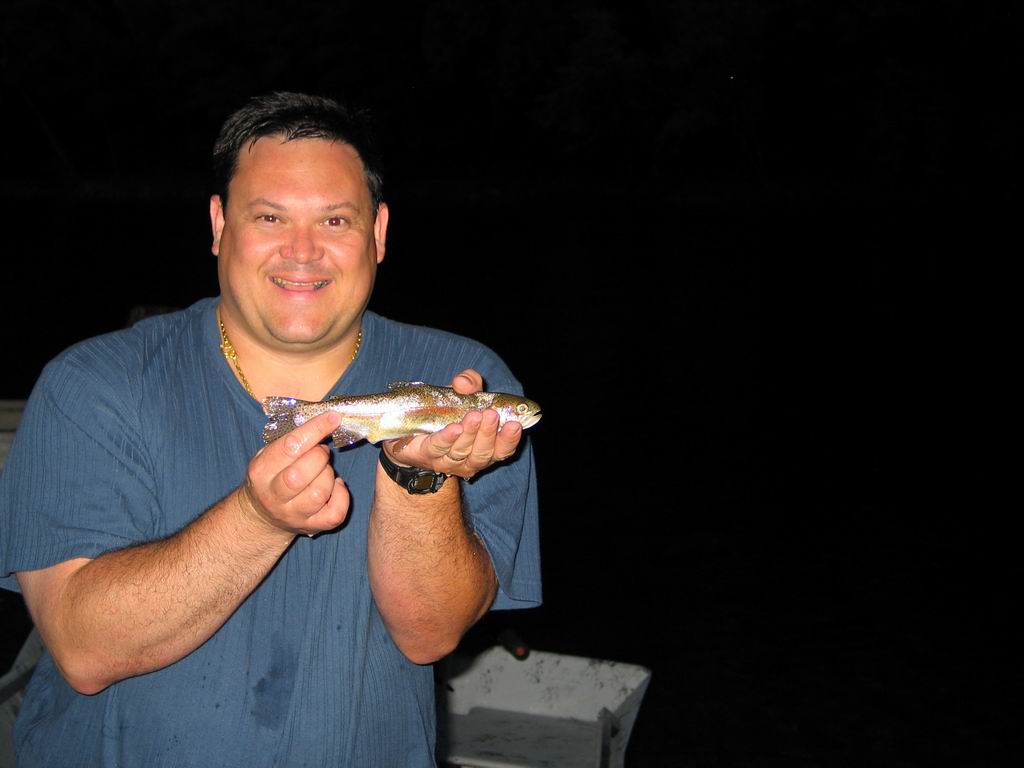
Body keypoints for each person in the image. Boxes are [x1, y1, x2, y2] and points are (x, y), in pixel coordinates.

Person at [0, 92, 540, 766]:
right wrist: (259, 518)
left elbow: (430, 634)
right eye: (270, 216)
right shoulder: (92, 385)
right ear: (219, 224)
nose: (303, 251)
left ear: (378, 232)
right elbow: (83, 650)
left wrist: (418, 477)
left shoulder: (468, 384)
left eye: (335, 220)